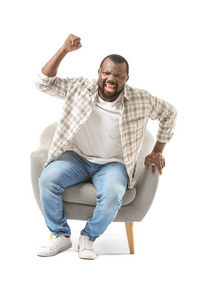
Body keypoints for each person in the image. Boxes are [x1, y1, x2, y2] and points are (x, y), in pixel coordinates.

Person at [35, 34, 177, 260]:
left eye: (118, 76)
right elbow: (43, 82)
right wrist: (64, 50)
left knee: (112, 195)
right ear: (99, 73)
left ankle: (88, 237)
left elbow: (169, 114)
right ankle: (60, 235)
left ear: (126, 78)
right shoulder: (80, 88)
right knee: (47, 179)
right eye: (107, 73)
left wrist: (158, 150)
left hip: (114, 164)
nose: (112, 79)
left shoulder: (141, 99)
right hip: (78, 157)